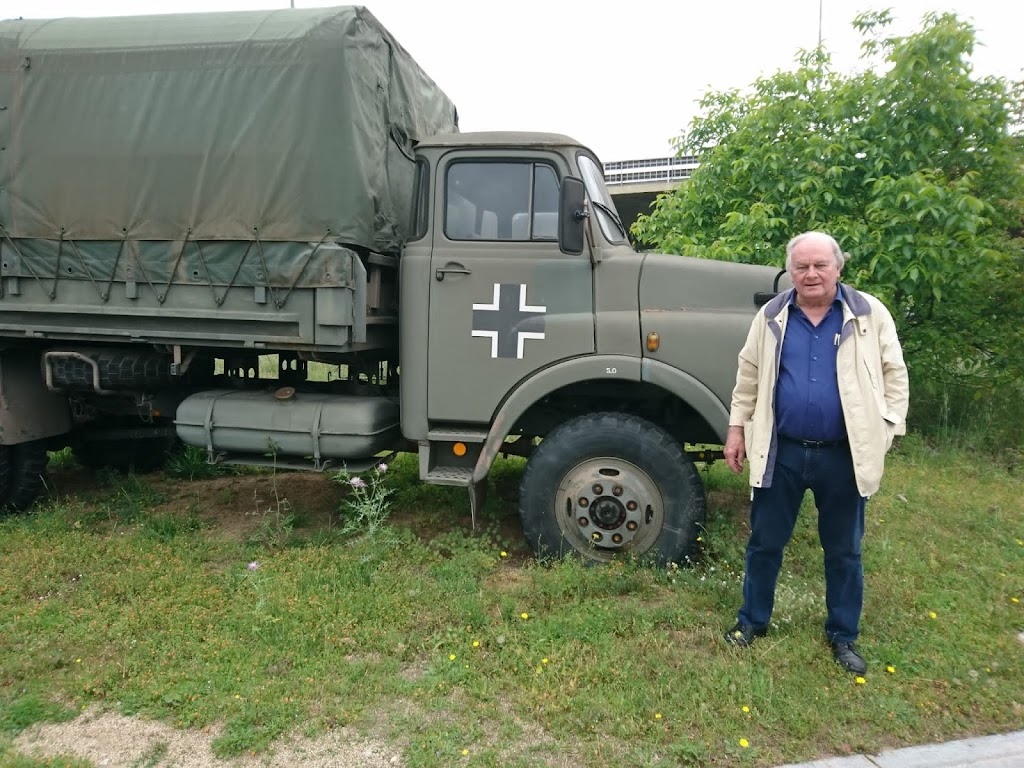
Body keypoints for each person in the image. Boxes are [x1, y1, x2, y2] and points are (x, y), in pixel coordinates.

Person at [722, 231, 909, 674]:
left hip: (842, 455)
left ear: (837, 268)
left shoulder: (868, 313)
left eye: (819, 265)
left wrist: (885, 429)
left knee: (844, 549)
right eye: (801, 266)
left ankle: (843, 636)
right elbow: (748, 376)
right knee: (764, 543)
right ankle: (752, 622)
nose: (810, 274)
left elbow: (895, 374)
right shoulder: (772, 314)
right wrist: (736, 429)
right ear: (791, 271)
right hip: (782, 451)